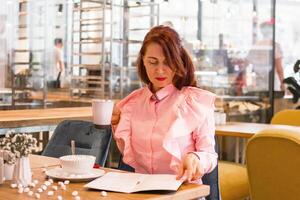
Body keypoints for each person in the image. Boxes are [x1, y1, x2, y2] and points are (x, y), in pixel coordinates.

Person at [111, 25, 217, 183]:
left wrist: (196, 158)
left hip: (183, 192)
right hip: (142, 190)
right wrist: (114, 124)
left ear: (177, 62)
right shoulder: (131, 104)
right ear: (143, 62)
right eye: (153, 62)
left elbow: (209, 154)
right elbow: (128, 155)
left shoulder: (194, 102)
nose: (160, 70)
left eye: (167, 63)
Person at [247, 20, 285, 92]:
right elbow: (279, 68)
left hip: (259, 85)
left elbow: (246, 63)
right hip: (273, 85)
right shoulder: (275, 45)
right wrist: (283, 84)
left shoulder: (256, 45)